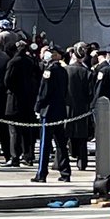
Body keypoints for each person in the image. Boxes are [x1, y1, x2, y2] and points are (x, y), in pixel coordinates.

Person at [32, 46, 71, 183]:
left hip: (48, 111)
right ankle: (65, 172)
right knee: (61, 143)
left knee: (45, 144)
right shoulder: (63, 71)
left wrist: (38, 106)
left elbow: (44, 91)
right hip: (60, 110)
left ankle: (41, 173)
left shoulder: (49, 70)